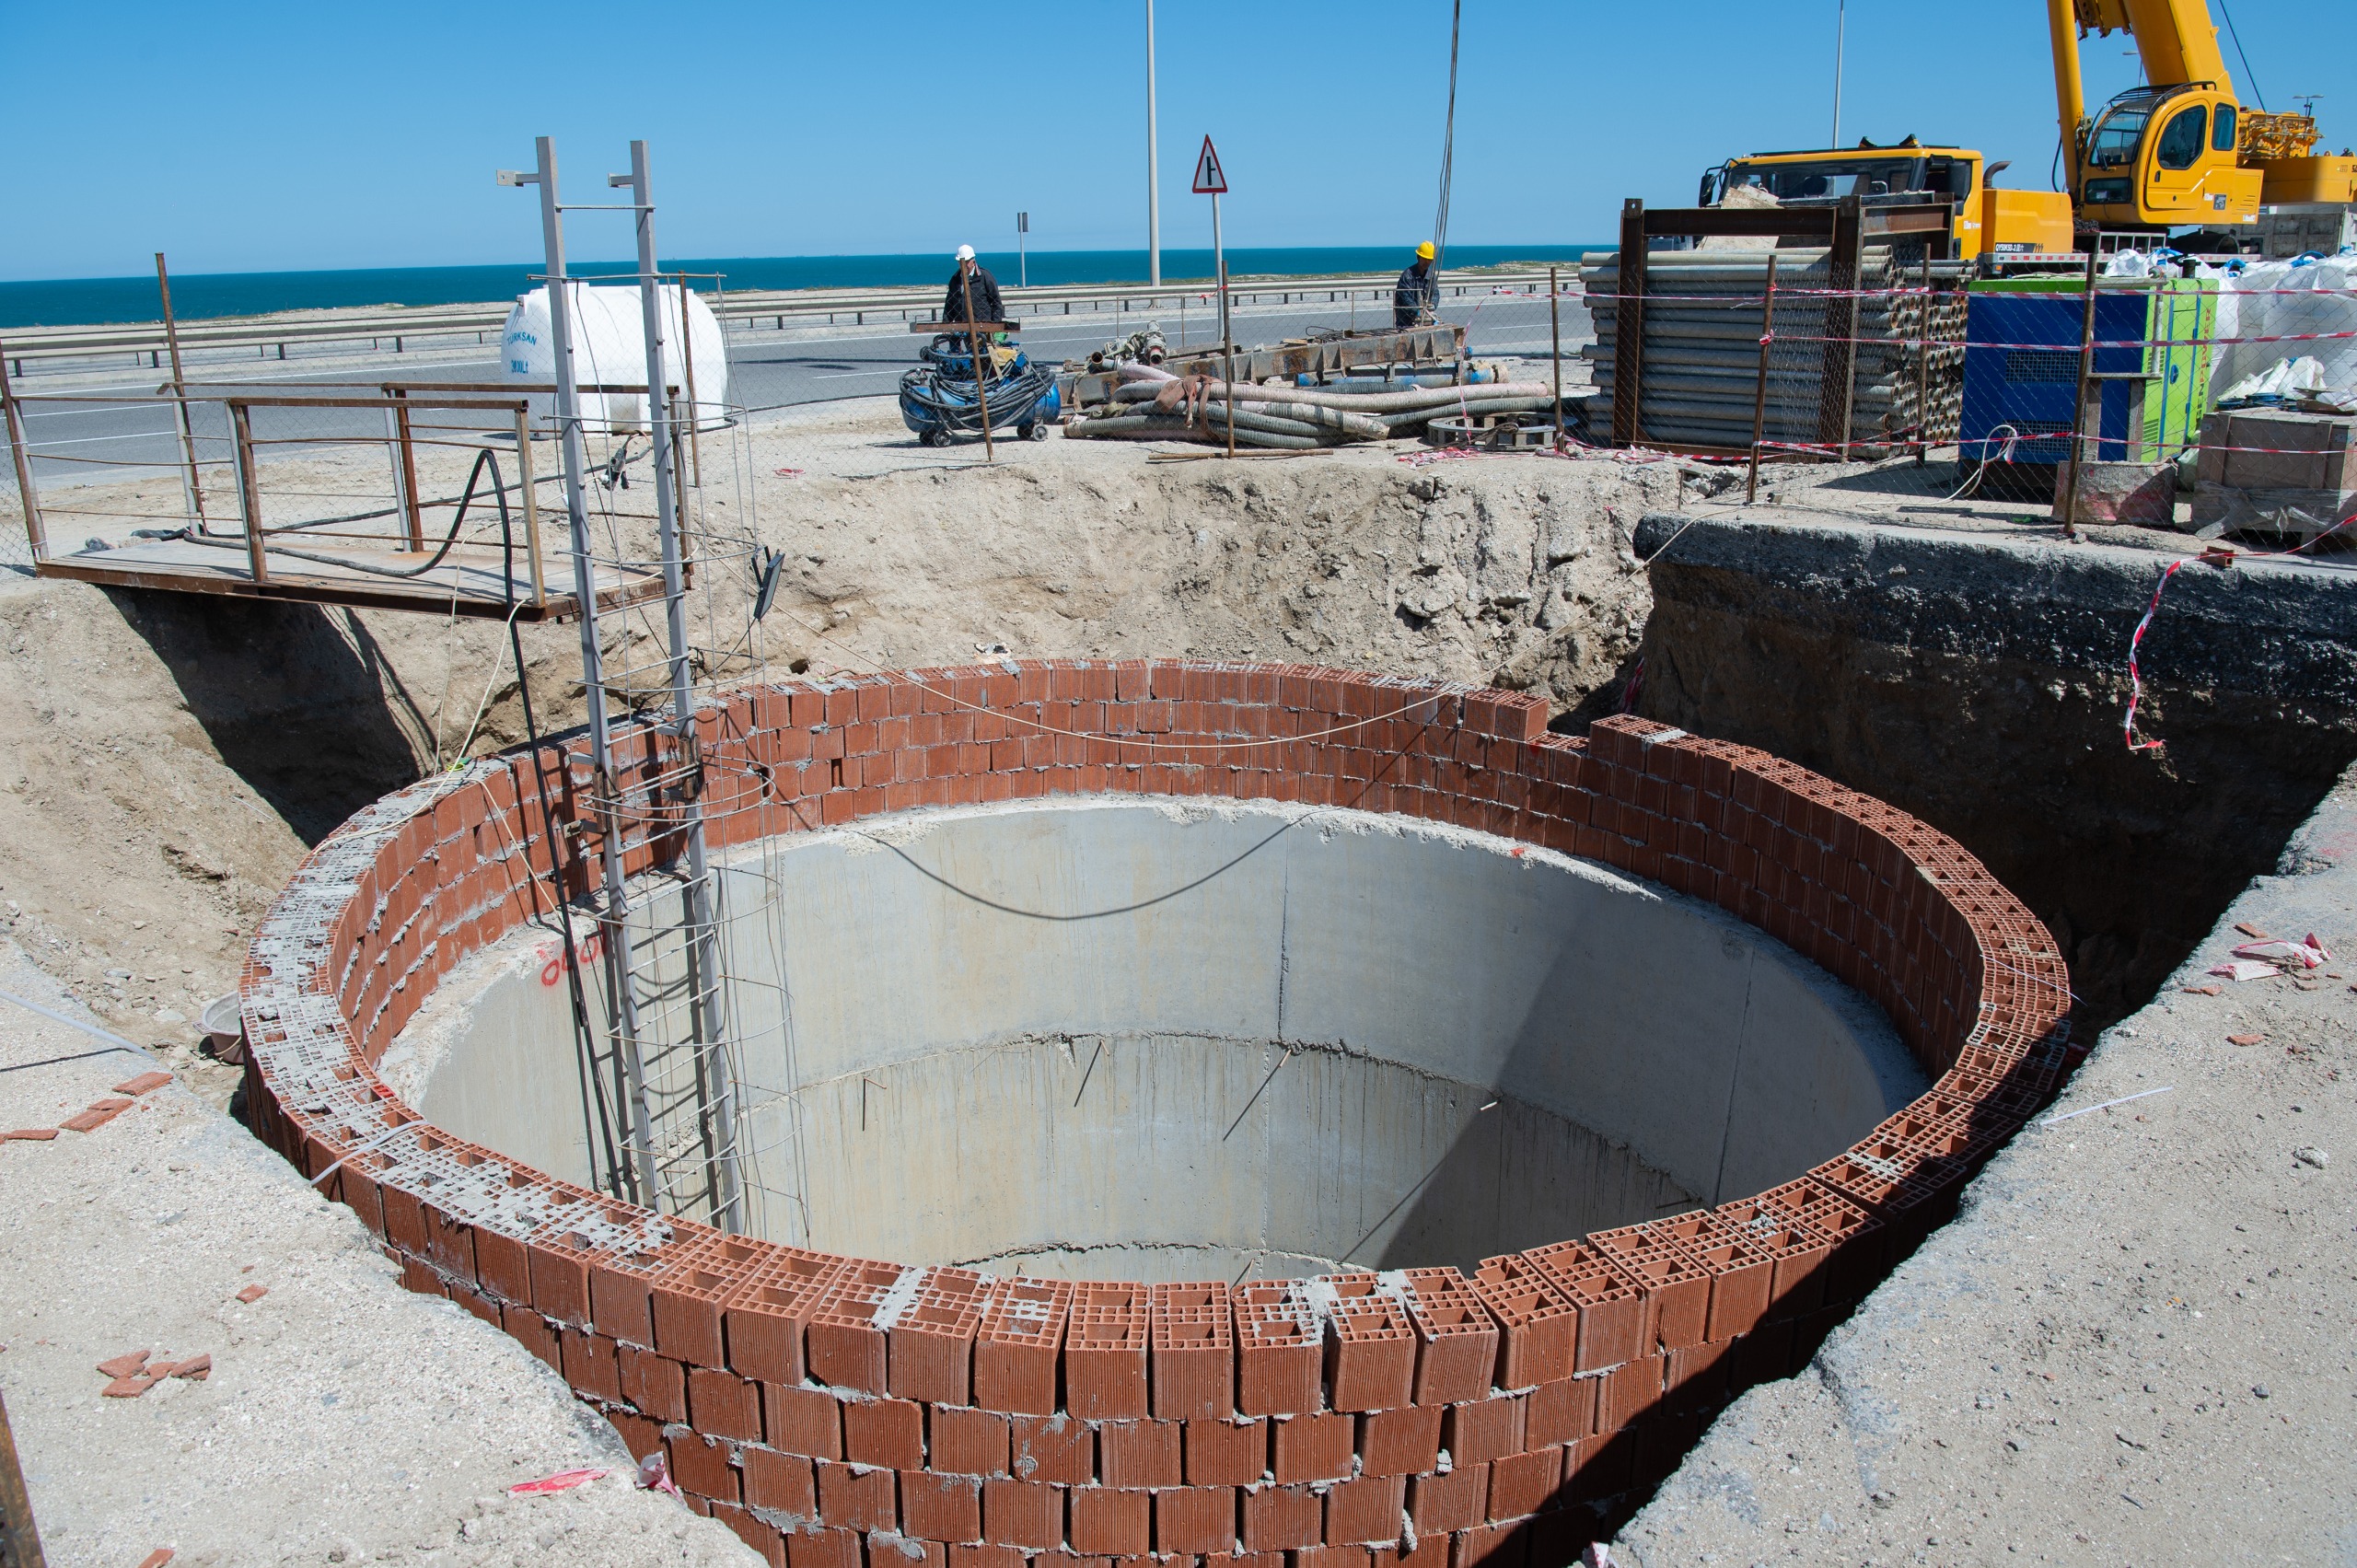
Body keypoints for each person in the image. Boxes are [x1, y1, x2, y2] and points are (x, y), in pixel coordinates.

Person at [944, 244, 1004, 344]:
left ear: (973, 261)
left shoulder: (985, 276)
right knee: (969, 357)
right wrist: (946, 323)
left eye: (966, 262)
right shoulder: (955, 279)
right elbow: (950, 304)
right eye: (960, 262)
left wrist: (995, 325)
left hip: (983, 326)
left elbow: (996, 302)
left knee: (984, 356)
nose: (963, 265)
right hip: (963, 327)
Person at [1394, 241, 1439, 328]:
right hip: (1406, 322)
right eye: (1424, 259)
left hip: (1424, 320)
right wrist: (1417, 311)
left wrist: (1432, 306)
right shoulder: (1407, 275)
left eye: (1429, 260)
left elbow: (1435, 293)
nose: (1426, 262)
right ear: (1418, 257)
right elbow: (1405, 297)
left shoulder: (1431, 275)